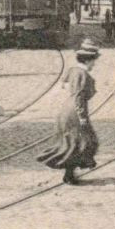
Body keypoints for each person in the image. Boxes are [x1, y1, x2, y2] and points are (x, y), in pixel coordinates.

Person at [37, 38, 100, 184]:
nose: (94, 64)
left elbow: (63, 84)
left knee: (75, 143)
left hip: (67, 109)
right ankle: (69, 175)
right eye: (93, 61)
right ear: (87, 60)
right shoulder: (83, 74)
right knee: (81, 143)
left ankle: (69, 174)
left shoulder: (73, 70)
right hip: (74, 113)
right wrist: (82, 117)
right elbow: (78, 96)